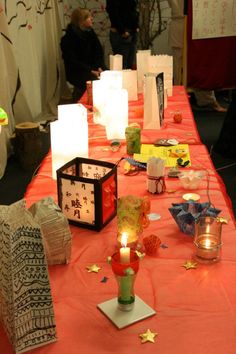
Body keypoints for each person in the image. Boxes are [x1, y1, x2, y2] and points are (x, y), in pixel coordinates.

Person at [60, 8, 106, 102]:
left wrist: (99, 66)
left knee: (109, 75)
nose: (91, 19)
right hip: (78, 71)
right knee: (95, 81)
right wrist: (90, 70)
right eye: (88, 17)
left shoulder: (90, 33)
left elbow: (98, 52)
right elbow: (73, 61)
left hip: (93, 67)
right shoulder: (69, 39)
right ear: (81, 21)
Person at [106, 0, 139, 69]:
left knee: (130, 65)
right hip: (121, 33)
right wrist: (122, 31)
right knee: (122, 65)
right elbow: (113, 12)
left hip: (132, 31)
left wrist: (136, 26)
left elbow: (133, 9)